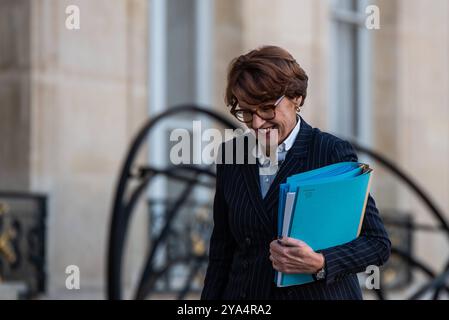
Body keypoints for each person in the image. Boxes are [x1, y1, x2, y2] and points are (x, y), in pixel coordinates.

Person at [201, 45, 391, 300]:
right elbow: (221, 251)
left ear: (297, 98)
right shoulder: (231, 155)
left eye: (267, 108)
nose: (256, 123)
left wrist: (320, 262)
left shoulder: (330, 152)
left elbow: (377, 243)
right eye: (246, 112)